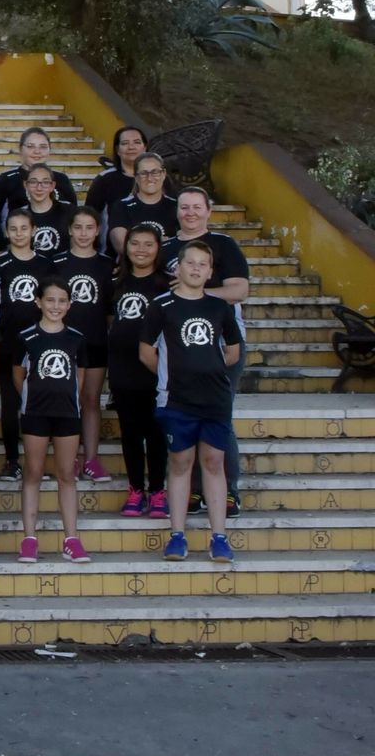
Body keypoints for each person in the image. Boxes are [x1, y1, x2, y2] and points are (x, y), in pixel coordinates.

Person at [140, 239, 243, 563]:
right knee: (181, 463)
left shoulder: (218, 307)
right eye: (191, 262)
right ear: (178, 267)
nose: (196, 268)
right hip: (177, 400)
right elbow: (146, 352)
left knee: (213, 463)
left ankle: (219, 537)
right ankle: (177, 536)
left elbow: (233, 351)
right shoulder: (161, 305)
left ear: (210, 271)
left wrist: (206, 371)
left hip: (215, 400)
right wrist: (173, 377)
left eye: (203, 264)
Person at [157, 187, 251, 511]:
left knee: (219, 416)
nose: (191, 213)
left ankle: (228, 491)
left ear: (209, 210)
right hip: (177, 347)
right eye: (185, 207)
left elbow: (240, 288)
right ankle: (194, 491)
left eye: (197, 207)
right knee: (183, 419)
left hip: (222, 343)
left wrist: (198, 292)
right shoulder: (166, 247)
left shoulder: (223, 245)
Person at [15, 277, 89, 563]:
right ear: (38, 302)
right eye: (50, 300)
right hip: (35, 413)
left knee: (66, 475)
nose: (55, 306)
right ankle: (29, 539)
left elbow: (79, 378)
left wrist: (66, 400)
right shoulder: (26, 337)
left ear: (69, 304)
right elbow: (18, 376)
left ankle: (71, 539)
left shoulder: (77, 339)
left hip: (68, 414)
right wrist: (32, 400)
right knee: (33, 473)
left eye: (61, 301)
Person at [108, 223, 169, 518]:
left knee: (155, 432)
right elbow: (110, 319)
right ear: (126, 247)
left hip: (155, 369)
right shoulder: (116, 281)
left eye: (148, 244)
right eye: (135, 243)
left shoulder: (166, 284)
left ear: (158, 249)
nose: (141, 250)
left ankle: (157, 490)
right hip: (122, 369)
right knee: (131, 434)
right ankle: (136, 490)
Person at [0, 207, 54, 480]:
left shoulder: (45, 264)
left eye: (24, 228)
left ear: (34, 231)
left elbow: (53, 300)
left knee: (39, 400)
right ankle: (12, 459)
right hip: (8, 342)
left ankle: (37, 461)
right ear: (6, 232)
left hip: (39, 343)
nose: (18, 233)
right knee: (9, 403)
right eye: (13, 229)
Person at [61, 206, 114, 480]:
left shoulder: (107, 265)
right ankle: (68, 459)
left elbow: (109, 312)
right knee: (68, 399)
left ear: (98, 230)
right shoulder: (57, 264)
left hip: (95, 342)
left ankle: (91, 458)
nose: (83, 233)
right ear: (70, 229)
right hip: (64, 344)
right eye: (78, 227)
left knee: (91, 399)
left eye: (89, 227)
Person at [0, 127, 76, 223]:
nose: (37, 151)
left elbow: (74, 217)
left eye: (43, 147)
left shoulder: (61, 179)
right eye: (30, 146)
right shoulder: (6, 180)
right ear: (20, 149)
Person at [107, 153, 180, 255]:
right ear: (136, 177)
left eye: (155, 172)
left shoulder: (176, 206)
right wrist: (161, 243)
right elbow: (121, 246)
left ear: (163, 174)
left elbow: (183, 243)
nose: (150, 178)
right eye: (144, 173)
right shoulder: (121, 207)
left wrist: (139, 245)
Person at [86, 124, 149, 226]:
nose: (131, 147)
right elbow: (89, 216)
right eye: (125, 143)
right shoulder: (104, 179)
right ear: (117, 150)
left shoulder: (158, 178)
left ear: (145, 147)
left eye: (137, 142)